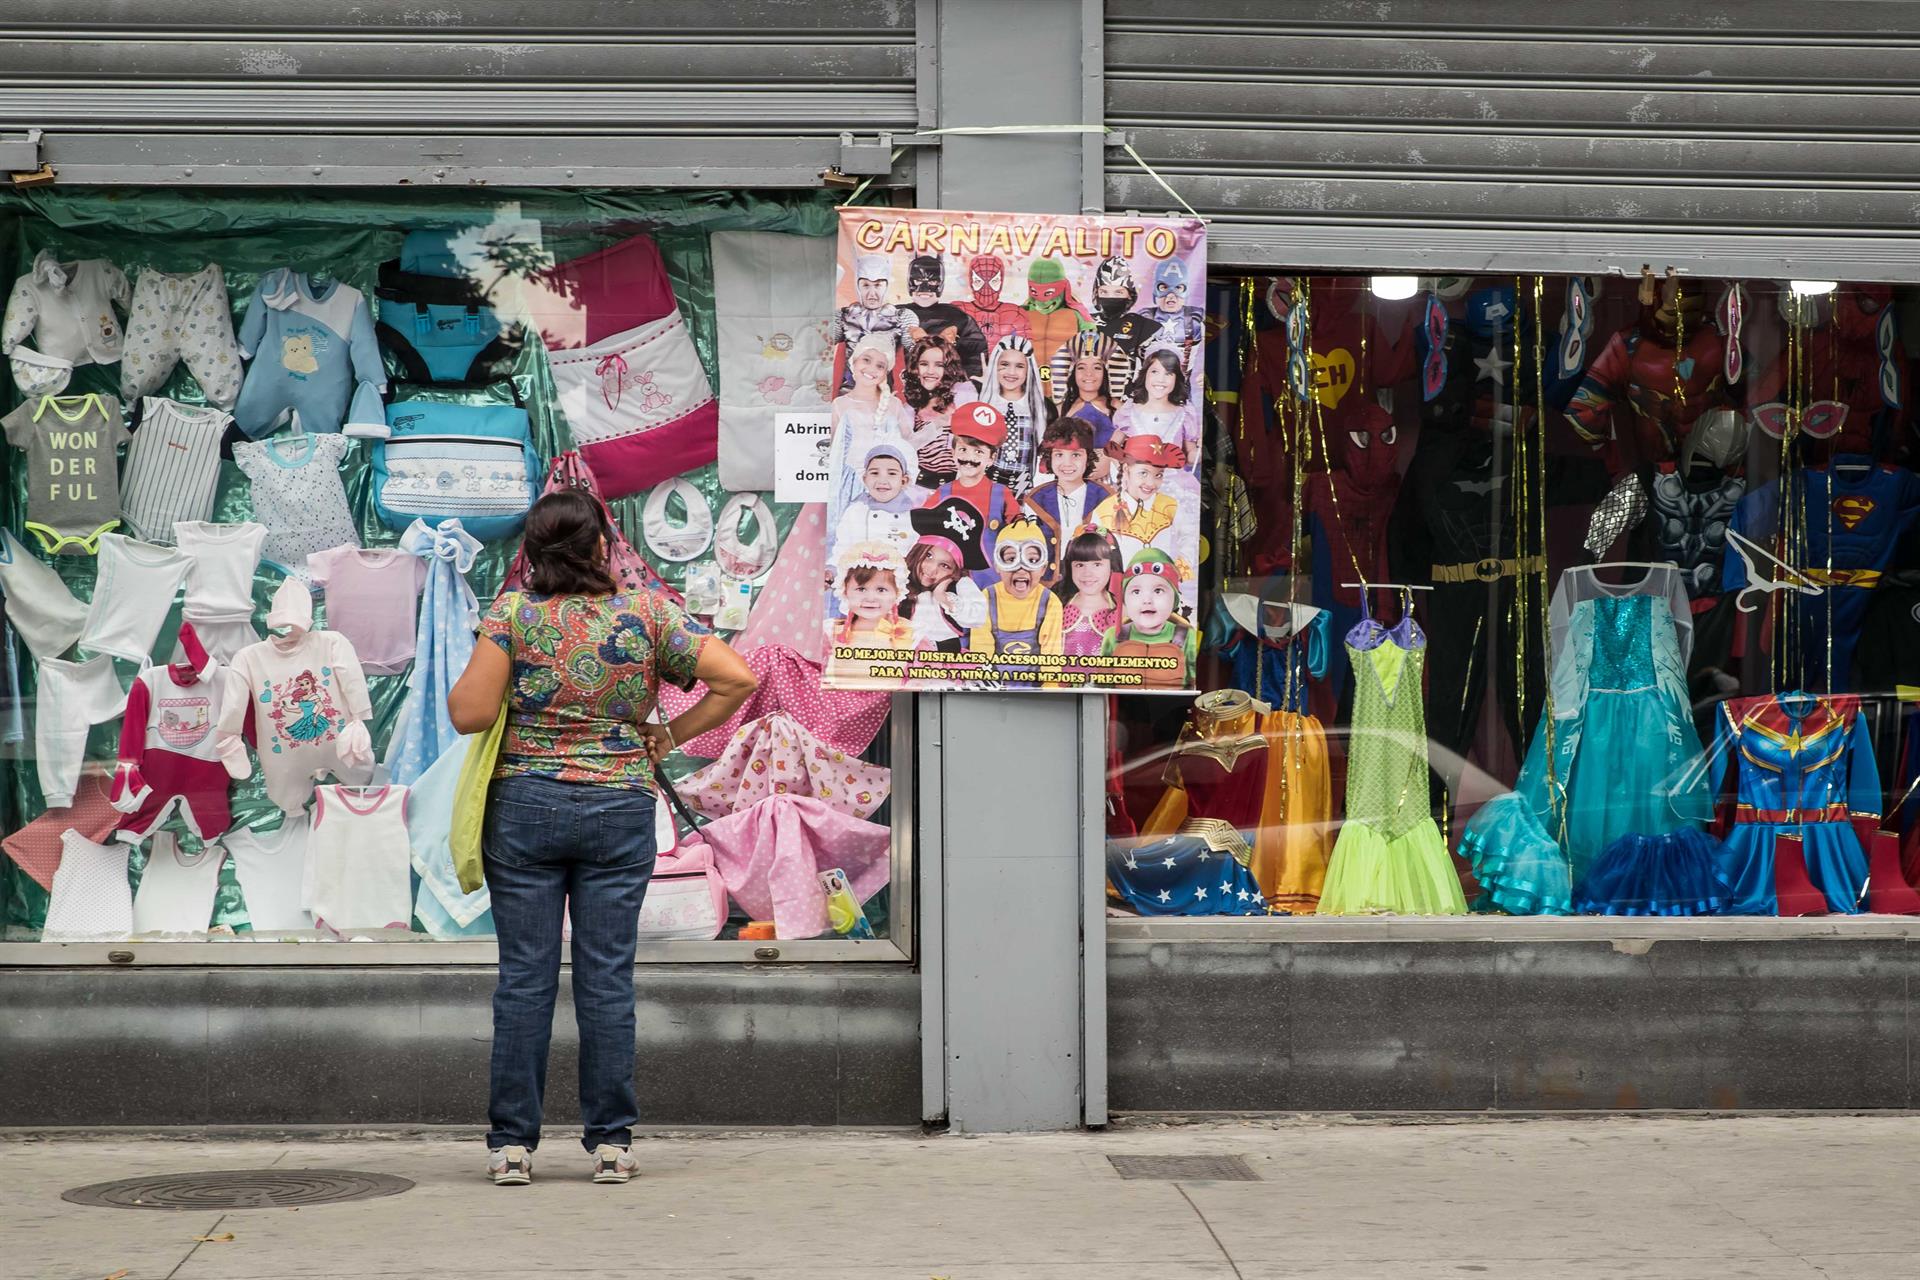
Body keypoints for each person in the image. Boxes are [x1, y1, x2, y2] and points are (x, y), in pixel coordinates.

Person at [447, 489, 757, 1188]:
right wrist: (667, 733)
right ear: (600, 547)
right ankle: (611, 1144)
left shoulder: (515, 615)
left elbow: (470, 713)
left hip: (525, 807)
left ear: (531, 552)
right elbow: (737, 678)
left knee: (524, 978)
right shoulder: (646, 612)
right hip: (619, 807)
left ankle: (512, 1147)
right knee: (607, 976)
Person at [924, 402, 1022, 587]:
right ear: (952, 453)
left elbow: (1018, 533)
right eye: (963, 450)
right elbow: (925, 532)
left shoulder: (1001, 493)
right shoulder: (942, 493)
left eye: (978, 452)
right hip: (948, 580)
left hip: (992, 580)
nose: (970, 458)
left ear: (991, 458)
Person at [827, 331, 924, 515]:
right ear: (853, 362)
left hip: (885, 484)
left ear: (885, 373)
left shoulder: (893, 404)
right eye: (866, 360)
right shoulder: (840, 405)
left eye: (880, 366)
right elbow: (833, 451)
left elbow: (909, 443)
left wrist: (938, 425)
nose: (872, 369)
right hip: (850, 485)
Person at [1103, 547, 1198, 689]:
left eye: (1158, 591)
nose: (1147, 600)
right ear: (1124, 600)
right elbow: (1101, 684)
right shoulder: (1113, 636)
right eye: (1136, 591)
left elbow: (1194, 684)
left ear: (1174, 599)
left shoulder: (1187, 636)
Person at [901, 501, 990, 653]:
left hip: (942, 660)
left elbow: (978, 616)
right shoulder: (900, 579)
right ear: (917, 552)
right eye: (928, 556)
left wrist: (943, 597)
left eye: (944, 566)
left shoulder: (958, 585)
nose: (932, 569)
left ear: (954, 571)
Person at [824, 540, 915, 684]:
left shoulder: (911, 632)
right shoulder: (831, 631)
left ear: (897, 593)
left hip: (893, 703)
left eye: (881, 590)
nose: (871, 598)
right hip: (842, 703)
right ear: (845, 591)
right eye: (861, 589)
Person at [1022, 418, 1109, 568]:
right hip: (1048, 581)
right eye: (1059, 455)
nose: (1067, 463)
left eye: (1076, 455)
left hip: (1091, 580)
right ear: (1050, 457)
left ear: (1088, 457)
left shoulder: (1106, 497)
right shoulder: (1035, 499)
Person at [901, 334, 978, 488]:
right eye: (924, 364)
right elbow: (905, 449)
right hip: (919, 486)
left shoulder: (963, 395)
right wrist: (936, 425)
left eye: (939, 365)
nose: (930, 371)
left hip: (957, 486)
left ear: (948, 368)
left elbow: (975, 444)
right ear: (916, 367)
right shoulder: (911, 406)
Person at [980, 333, 1052, 495]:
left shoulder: (1042, 408)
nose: (1011, 372)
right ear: (994, 366)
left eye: (1020, 366)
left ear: (1029, 370)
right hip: (986, 488)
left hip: (1024, 489)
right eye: (1004, 364)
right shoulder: (984, 405)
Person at [903, 254, 988, 380]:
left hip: (948, 388)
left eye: (932, 281)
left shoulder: (958, 317)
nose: (925, 288)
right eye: (918, 280)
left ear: (940, 282)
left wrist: (964, 385)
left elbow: (977, 357)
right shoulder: (895, 315)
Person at [1055, 524, 1123, 657]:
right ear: (1069, 567)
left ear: (1112, 566)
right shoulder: (1057, 603)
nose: (1087, 573)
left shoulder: (1122, 608)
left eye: (1097, 564)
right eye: (1080, 565)